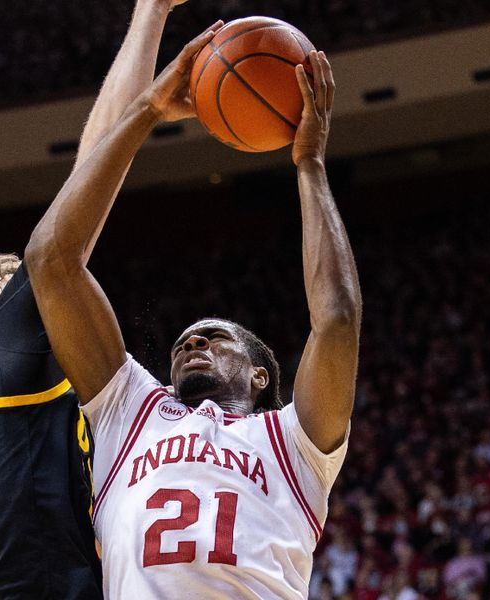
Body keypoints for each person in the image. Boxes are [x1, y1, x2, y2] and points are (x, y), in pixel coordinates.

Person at [25, 29, 361, 598]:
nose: (190, 344)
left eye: (213, 337)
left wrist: (309, 165)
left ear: (261, 376)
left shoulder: (295, 442)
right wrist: (146, 109)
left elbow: (337, 320)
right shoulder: (129, 411)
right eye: (183, 342)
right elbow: (51, 262)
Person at [0, 1, 191, 597]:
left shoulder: (3, 419)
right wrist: (151, 19)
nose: (53, 300)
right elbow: (78, 196)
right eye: (28, 295)